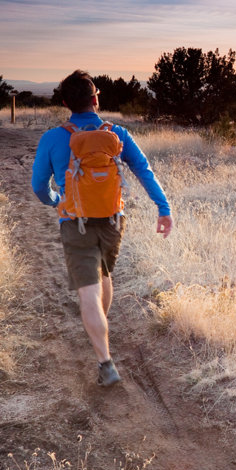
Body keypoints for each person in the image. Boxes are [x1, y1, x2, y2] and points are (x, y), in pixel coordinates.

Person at [31, 70, 173, 387]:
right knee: (104, 274)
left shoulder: (53, 138)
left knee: (88, 292)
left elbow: (39, 185)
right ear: (96, 99)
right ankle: (100, 326)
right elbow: (144, 171)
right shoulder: (117, 134)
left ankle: (105, 363)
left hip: (74, 222)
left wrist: (57, 199)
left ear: (67, 103)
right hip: (113, 220)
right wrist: (163, 209)